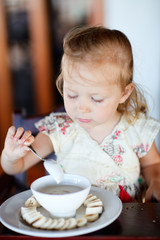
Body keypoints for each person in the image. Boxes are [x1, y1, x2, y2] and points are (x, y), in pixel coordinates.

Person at [1, 26, 160, 202]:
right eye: (72, 95)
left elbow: (152, 164)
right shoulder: (59, 130)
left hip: (127, 221)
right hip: (72, 221)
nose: (81, 108)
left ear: (124, 93)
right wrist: (10, 156)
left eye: (96, 99)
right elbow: (18, 166)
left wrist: (156, 180)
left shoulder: (136, 128)